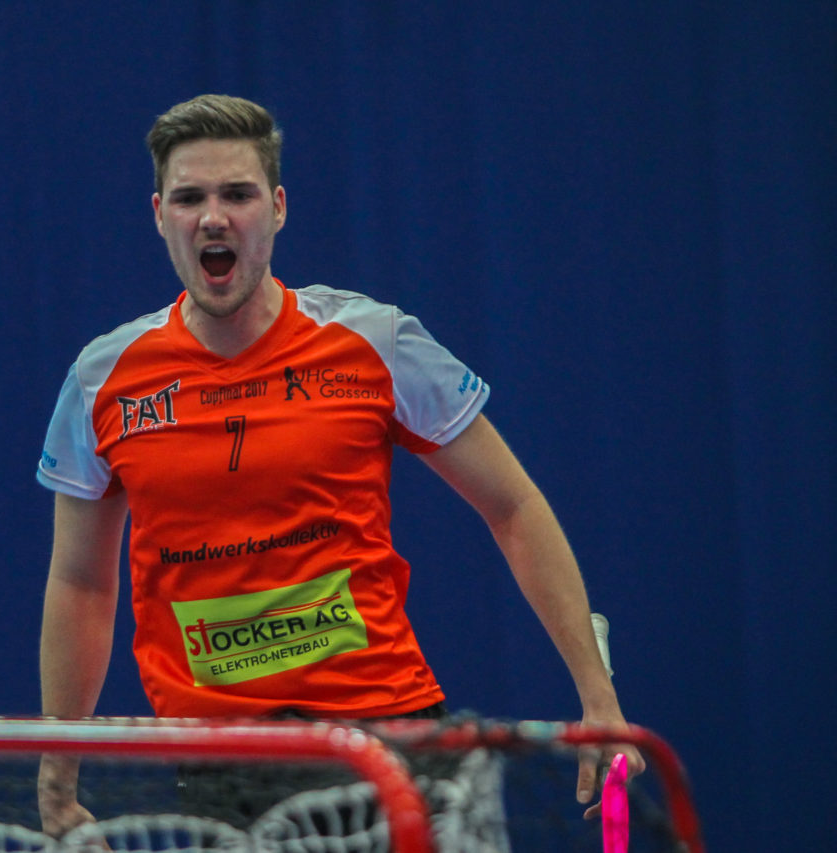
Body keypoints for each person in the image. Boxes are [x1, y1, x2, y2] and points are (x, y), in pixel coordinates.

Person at [34, 94, 644, 836]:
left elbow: (513, 507)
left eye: (238, 194)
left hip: (384, 740)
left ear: (279, 207)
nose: (214, 217)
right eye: (190, 197)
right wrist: (57, 763)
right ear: (160, 213)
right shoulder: (104, 379)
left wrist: (597, 695)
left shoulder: (373, 340)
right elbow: (81, 582)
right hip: (219, 764)